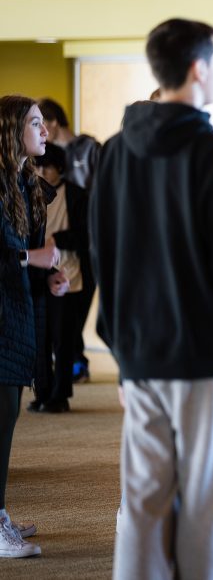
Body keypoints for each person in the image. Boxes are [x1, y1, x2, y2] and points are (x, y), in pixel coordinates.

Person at [89, 19, 213, 580]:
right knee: (208, 510)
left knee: (145, 506)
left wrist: (124, 358)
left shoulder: (116, 151)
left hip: (142, 361)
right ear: (199, 69)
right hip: (206, 364)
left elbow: (107, 261)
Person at [0, 95, 67, 559]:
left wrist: (49, 274)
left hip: (15, 314)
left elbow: (25, 256)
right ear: (10, 131)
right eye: (36, 124)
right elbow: (15, 254)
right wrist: (31, 258)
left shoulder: (23, 181)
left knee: (7, 421)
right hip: (4, 319)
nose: (45, 132)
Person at [37, 98, 98, 384]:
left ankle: (77, 361)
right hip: (55, 252)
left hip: (85, 238)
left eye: (41, 123)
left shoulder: (88, 148)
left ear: (52, 123)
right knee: (55, 321)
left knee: (74, 314)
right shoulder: (43, 162)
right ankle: (73, 363)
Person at [29, 144, 90, 414]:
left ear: (60, 168)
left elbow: (87, 235)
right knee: (39, 340)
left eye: (47, 167)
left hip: (69, 276)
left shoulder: (76, 195)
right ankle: (42, 393)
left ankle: (60, 395)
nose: (42, 171)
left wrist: (57, 240)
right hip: (36, 273)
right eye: (38, 166)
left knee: (62, 340)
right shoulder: (31, 191)